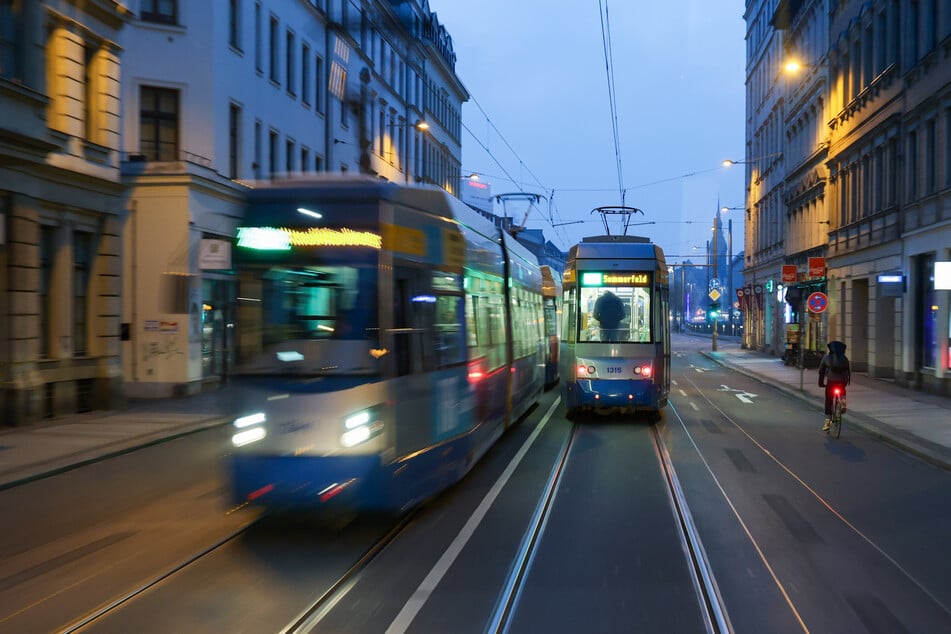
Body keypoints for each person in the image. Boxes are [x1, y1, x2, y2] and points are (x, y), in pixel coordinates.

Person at [818, 340, 851, 431]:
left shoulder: (827, 357)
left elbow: (821, 371)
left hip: (831, 382)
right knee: (842, 391)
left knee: (828, 400)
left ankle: (828, 422)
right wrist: (846, 382)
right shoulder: (844, 358)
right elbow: (848, 372)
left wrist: (821, 383)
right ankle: (843, 402)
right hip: (842, 382)